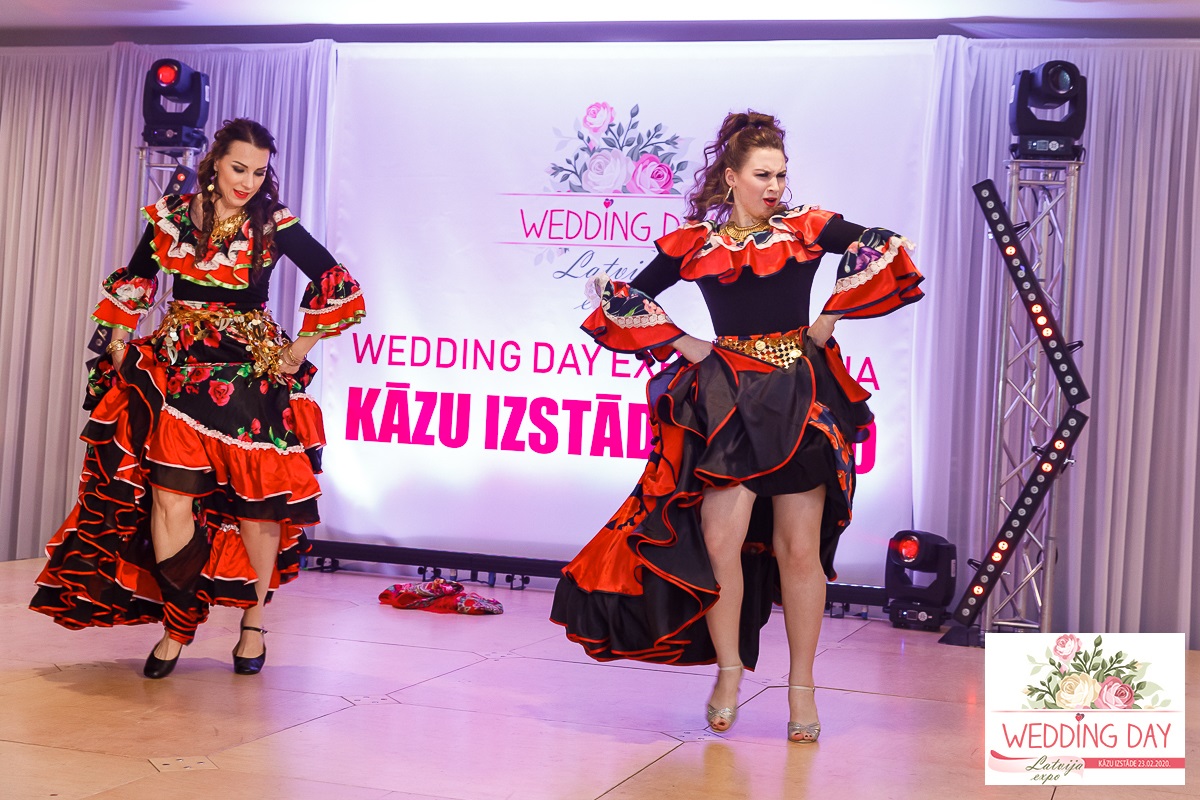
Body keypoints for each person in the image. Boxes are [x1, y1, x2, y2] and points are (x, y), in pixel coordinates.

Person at [550, 111, 923, 742]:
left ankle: (802, 686)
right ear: (731, 177)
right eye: (762, 175)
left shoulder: (807, 227)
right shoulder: (697, 243)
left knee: (799, 550)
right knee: (721, 544)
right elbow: (621, 297)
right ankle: (728, 673)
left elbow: (882, 242)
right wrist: (685, 342)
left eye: (781, 174)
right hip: (727, 401)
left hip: (798, 396)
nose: (775, 186)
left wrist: (831, 316)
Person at [30, 118, 365, 679]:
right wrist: (118, 344)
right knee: (169, 499)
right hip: (178, 370)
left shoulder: (273, 222)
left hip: (247, 375)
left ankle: (254, 622)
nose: (248, 182)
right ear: (215, 163)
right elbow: (138, 280)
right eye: (239, 168)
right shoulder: (173, 215)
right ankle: (177, 623)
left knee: (259, 505)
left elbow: (335, 280)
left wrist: (299, 348)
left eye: (258, 172)